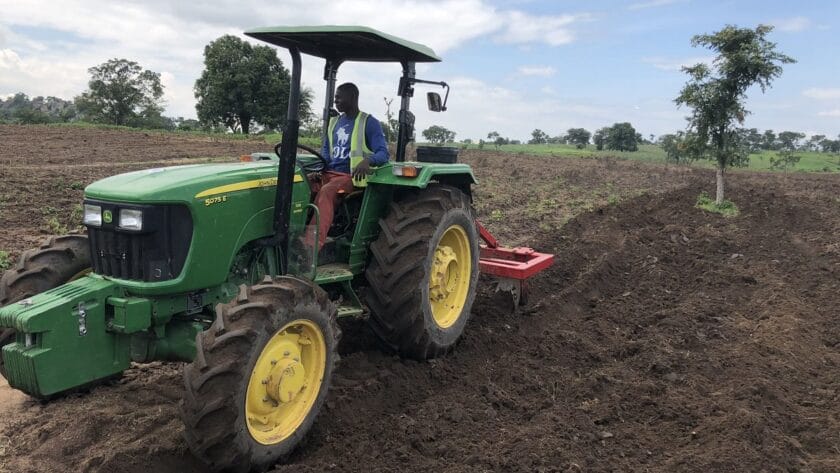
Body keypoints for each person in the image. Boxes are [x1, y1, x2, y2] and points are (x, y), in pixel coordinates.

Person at [308, 82, 389, 249]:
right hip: (329, 173)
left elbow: (383, 154)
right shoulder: (333, 123)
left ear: (352, 97)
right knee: (301, 184)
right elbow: (325, 153)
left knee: (327, 192)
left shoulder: (368, 122)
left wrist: (367, 161)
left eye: (339, 97)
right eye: (335, 97)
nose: (335, 101)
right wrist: (318, 170)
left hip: (350, 177)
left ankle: (310, 246)